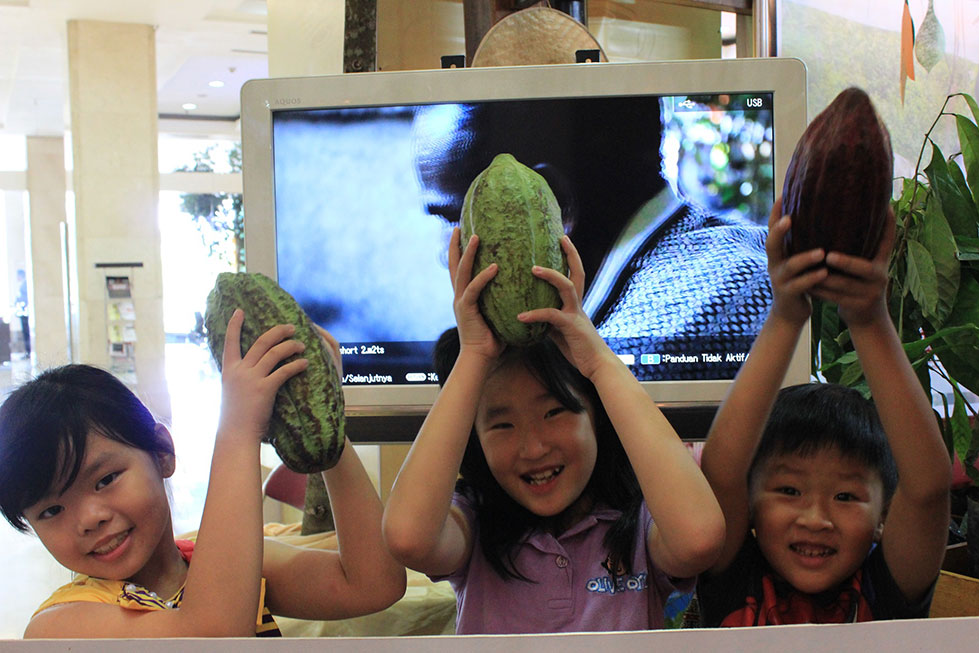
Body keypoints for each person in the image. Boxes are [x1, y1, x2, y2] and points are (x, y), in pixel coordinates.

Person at [382, 229, 725, 634]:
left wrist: (597, 361)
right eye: (503, 424)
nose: (534, 447)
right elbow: (407, 537)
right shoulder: (472, 524)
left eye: (555, 412)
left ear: (597, 415)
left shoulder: (639, 527)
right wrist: (473, 356)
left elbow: (699, 538)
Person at [0, 311, 406, 638]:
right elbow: (212, 636)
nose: (90, 518)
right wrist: (238, 427)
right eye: (52, 510)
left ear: (162, 452)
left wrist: (323, 416)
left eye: (105, 480)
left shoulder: (215, 561)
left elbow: (372, 583)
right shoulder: (60, 626)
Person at [695, 200, 951, 626]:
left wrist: (869, 319)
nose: (815, 519)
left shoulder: (887, 591)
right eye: (789, 490)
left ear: (883, 518)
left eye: (846, 496)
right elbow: (722, 469)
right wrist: (785, 315)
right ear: (751, 502)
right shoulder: (732, 575)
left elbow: (927, 487)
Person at [412, 96, 772, 381]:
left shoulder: (669, 329)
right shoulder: (734, 252)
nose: (445, 253)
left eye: (456, 219)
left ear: (553, 206)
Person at [14, 269, 30, 358]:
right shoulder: (23, 285)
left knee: (27, 334)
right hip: (23, 313)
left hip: (25, 313)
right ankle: (28, 352)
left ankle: (29, 352)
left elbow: (23, 299)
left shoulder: (25, 285)